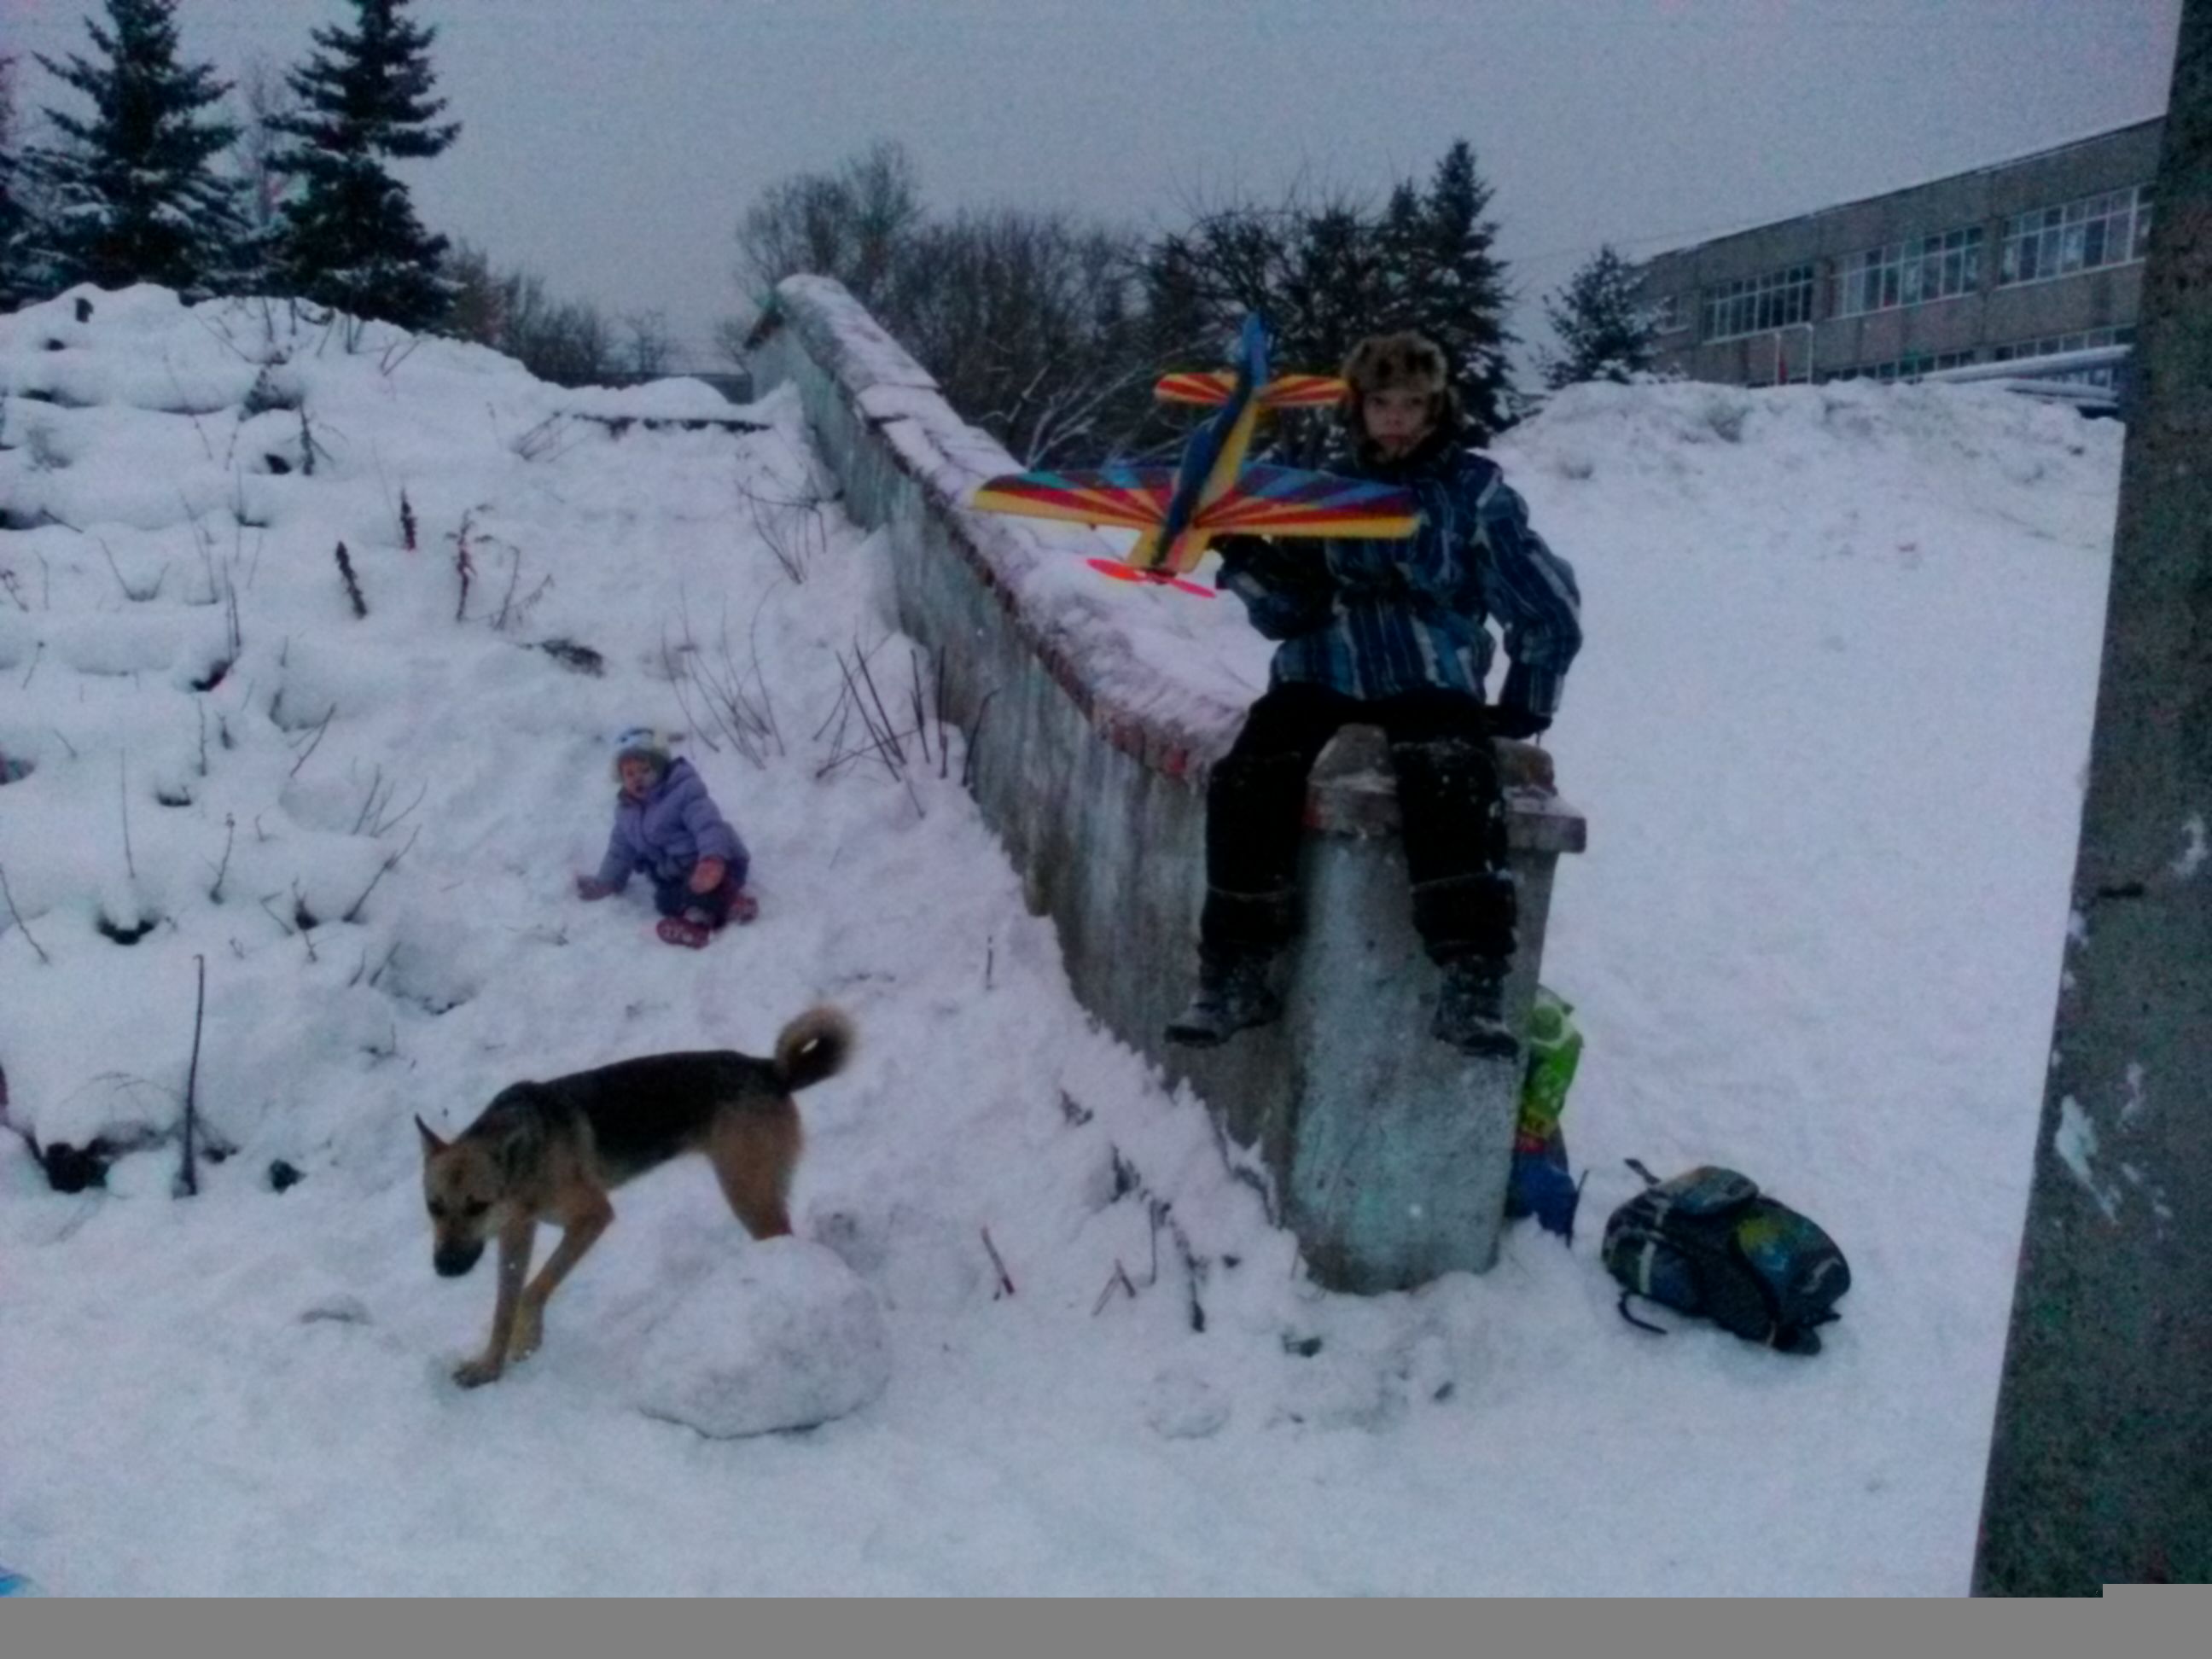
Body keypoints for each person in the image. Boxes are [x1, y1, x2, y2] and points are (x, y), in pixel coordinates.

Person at [1165, 330, 1582, 1059]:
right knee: (1251, 776)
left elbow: (1541, 596)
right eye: (1382, 402)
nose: (1395, 418)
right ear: (1357, 407)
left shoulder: (1471, 491)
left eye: (1412, 404)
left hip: (1430, 667)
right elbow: (1288, 613)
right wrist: (1242, 552)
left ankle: (1473, 978)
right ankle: (1235, 971)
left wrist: (1529, 694)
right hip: (1323, 666)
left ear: (1435, 408)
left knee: (1450, 774)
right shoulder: (1315, 489)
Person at [575, 727, 757, 948]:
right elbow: (619, 851)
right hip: (674, 874)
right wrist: (606, 883)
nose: (637, 778)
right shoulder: (626, 813)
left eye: (645, 770)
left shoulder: (684, 791)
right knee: (664, 900)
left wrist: (712, 859)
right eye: (630, 774)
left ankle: (696, 924)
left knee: (699, 887)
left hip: (716, 861)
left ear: (660, 767)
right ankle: (731, 904)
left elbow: (708, 826)